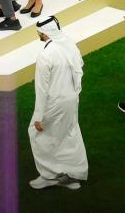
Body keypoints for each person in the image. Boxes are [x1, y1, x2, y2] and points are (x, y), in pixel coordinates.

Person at [29, 16, 88, 190]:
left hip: (54, 103)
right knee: (70, 134)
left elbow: (41, 89)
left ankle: (49, 175)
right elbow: (80, 69)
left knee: (38, 134)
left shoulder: (46, 55)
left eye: (39, 31)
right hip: (71, 99)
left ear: (44, 32)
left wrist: (39, 116)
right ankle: (74, 174)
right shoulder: (70, 44)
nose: (38, 33)